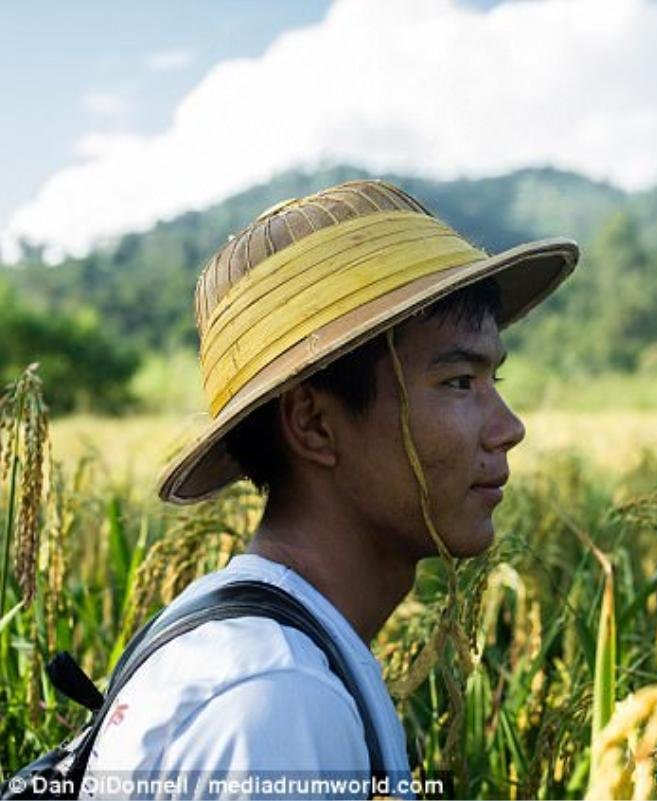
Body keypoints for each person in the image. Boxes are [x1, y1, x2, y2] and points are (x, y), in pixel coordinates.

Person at [81, 179, 578, 799]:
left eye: (492, 378)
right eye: (457, 382)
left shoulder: (262, 648)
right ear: (314, 424)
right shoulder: (279, 703)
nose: (509, 428)